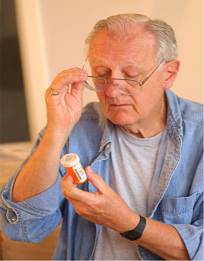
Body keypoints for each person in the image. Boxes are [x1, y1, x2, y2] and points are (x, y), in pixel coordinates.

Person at [0, 13, 203, 260]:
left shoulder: (199, 135)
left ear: (169, 73)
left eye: (130, 74)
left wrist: (126, 222)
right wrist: (56, 131)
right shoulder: (76, 128)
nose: (111, 90)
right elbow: (22, 227)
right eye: (102, 73)